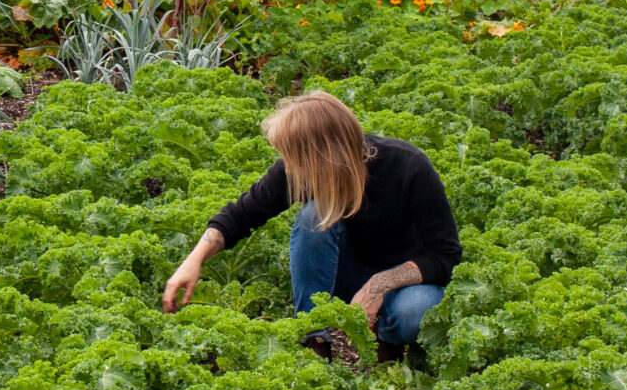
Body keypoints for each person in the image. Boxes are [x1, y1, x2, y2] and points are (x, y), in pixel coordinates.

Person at [161, 90, 460, 360]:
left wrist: (379, 285)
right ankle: (313, 337)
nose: (289, 168)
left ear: (325, 159)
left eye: (294, 160)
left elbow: (445, 256)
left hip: (405, 285)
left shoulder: (409, 167)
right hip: (344, 277)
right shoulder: (299, 171)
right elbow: (241, 215)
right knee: (314, 217)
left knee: (415, 314)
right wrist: (194, 260)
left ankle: (385, 343)